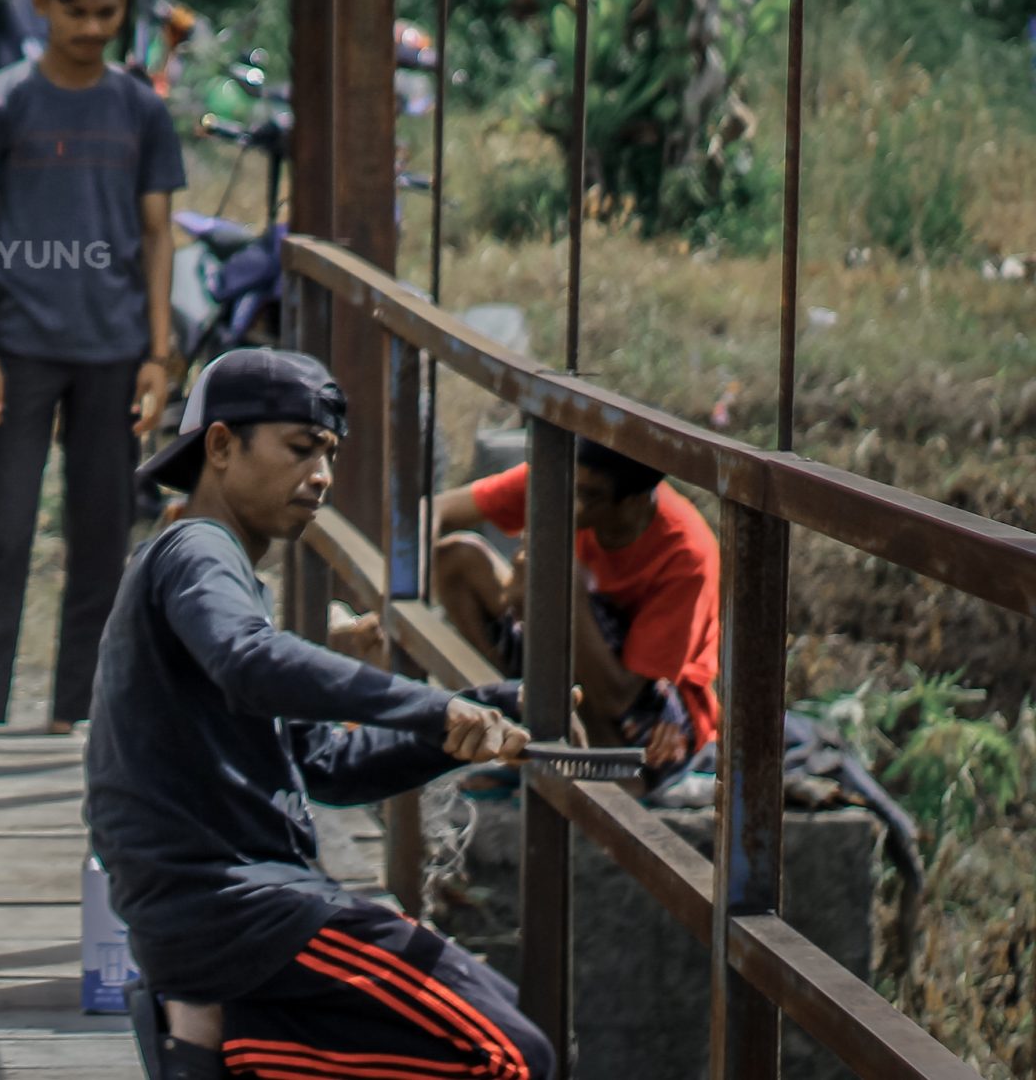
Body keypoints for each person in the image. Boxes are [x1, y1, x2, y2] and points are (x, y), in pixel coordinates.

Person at [88, 348, 552, 1080]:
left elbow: (326, 766)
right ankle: (226, 1045)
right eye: (301, 448)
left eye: (330, 454)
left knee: (516, 1035)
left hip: (238, 907)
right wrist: (432, 707)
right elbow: (249, 660)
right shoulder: (196, 550)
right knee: (510, 1056)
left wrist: (477, 719)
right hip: (231, 909)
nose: (323, 475)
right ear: (220, 445)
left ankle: (214, 1041)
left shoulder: (225, 577)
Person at [0, 0, 185, 734]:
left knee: (102, 535)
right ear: (41, 4)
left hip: (114, 349)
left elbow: (159, 234)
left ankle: (79, 713)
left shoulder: (141, 110)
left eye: (106, 14)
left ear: (124, 7)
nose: (90, 29)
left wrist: (159, 354)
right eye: (75, 13)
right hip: (18, 347)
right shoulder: (0, 104)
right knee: (1, 529)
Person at [421, 439, 721, 774]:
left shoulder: (686, 557)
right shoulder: (565, 481)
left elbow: (620, 697)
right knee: (458, 558)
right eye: (572, 488)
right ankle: (506, 712)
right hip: (558, 645)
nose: (573, 504)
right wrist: (408, 588)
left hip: (643, 696)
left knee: (556, 582)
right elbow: (436, 509)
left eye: (589, 497)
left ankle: (605, 772)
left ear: (635, 502)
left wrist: (566, 589)